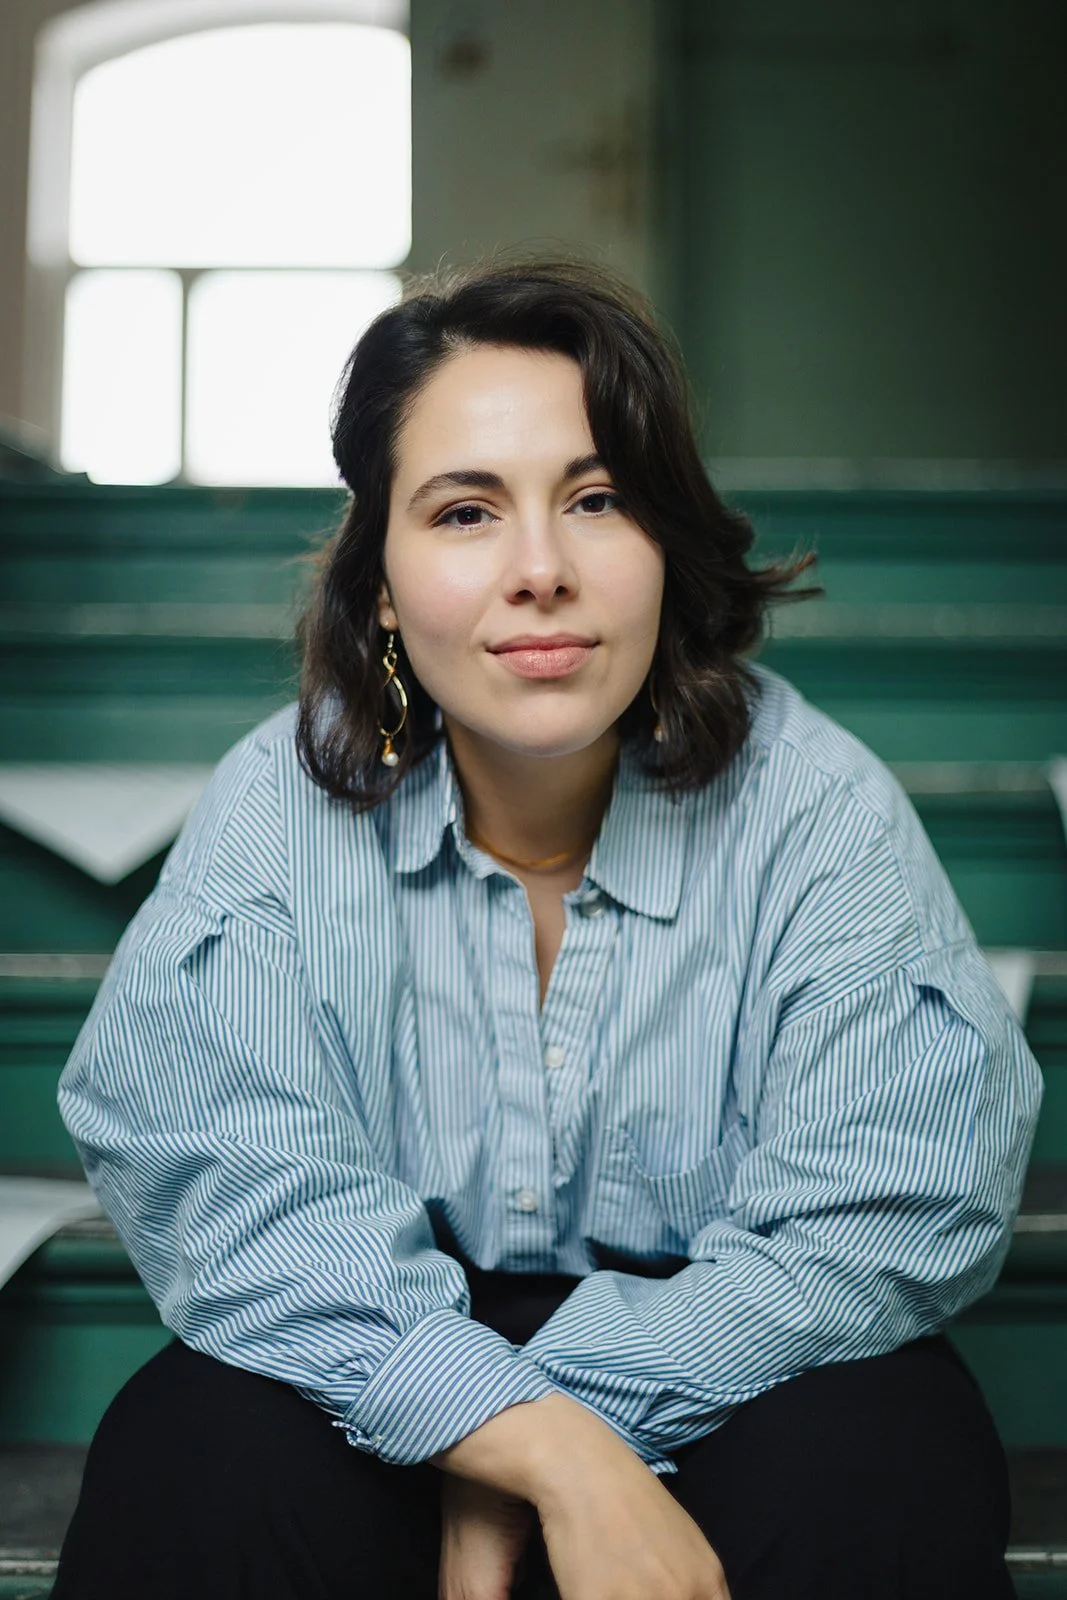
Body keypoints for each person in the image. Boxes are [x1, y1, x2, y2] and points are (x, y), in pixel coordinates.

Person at [54, 257, 1041, 1600]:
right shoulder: (278, 804)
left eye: (595, 500)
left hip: (724, 1345)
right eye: (464, 511)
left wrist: (545, 1428)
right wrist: (535, 1449)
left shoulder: (814, 804)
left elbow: (884, 1196)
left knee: (874, 1455)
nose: (538, 571)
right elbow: (233, 1186)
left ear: (664, 544)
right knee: (197, 1453)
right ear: (384, 584)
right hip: (375, 1338)